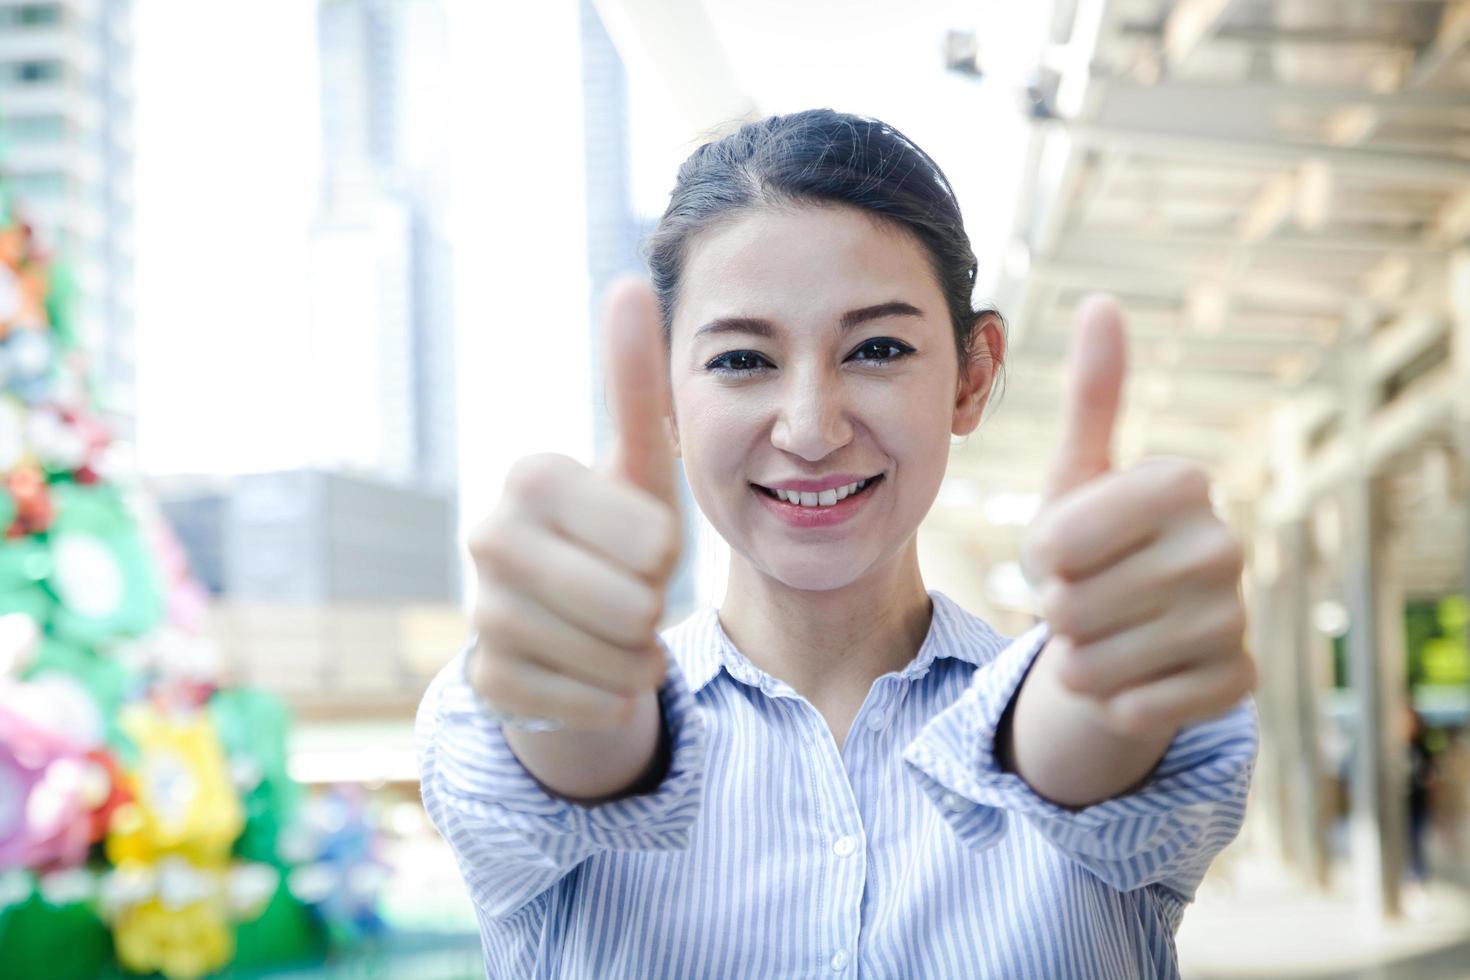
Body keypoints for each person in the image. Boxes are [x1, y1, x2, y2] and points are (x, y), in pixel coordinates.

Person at [416, 109, 1259, 978]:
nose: (812, 429)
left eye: (878, 348)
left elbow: (1085, 760)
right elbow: (569, 757)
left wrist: (1095, 700)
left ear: (972, 378)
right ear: (666, 398)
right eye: (742, 360)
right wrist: (576, 702)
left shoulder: (1082, 700)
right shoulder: (555, 715)